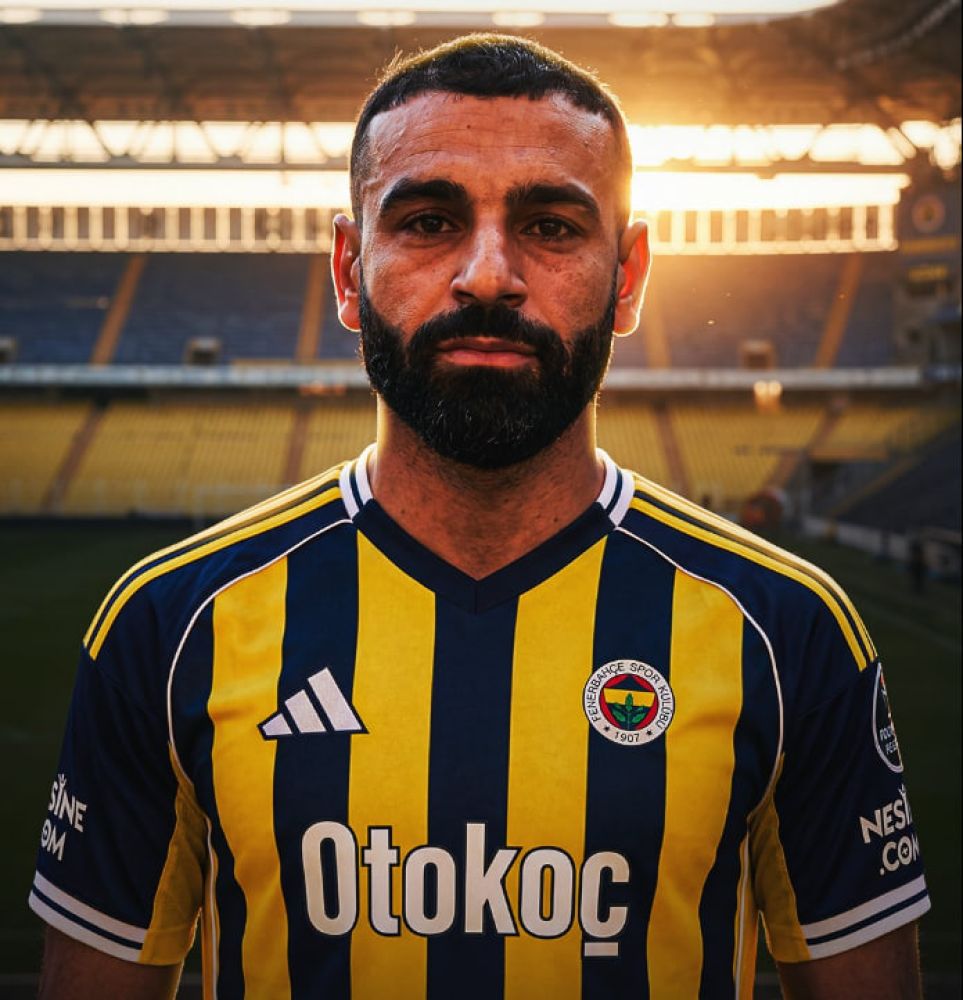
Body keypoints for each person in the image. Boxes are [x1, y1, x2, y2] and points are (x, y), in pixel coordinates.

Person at [32, 34, 928, 1000]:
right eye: (427, 221)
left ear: (627, 277)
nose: (489, 275)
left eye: (550, 226)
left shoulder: (788, 630)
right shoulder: (168, 624)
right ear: (348, 270)